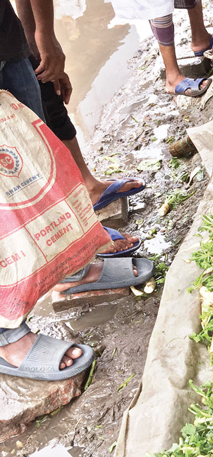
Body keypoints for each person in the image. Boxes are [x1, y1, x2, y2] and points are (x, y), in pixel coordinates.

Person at [0, 0, 154, 380]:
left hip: (5, 42)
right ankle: (7, 336)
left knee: (38, 165)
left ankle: (71, 269)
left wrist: (41, 33)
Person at [13, 0, 145, 257]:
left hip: (8, 42)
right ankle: (67, 242)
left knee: (47, 93)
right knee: (21, 147)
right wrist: (44, 35)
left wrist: (39, 40)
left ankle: (85, 191)